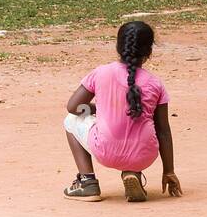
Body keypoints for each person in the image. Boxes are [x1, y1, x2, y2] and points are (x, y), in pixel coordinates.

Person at [62, 21, 181, 203]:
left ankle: (87, 182)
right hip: (144, 156)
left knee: (70, 120)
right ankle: (133, 172)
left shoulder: (101, 73)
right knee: (140, 128)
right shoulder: (155, 84)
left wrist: (98, 108)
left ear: (118, 47)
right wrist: (169, 171)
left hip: (106, 151)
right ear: (149, 52)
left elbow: (73, 107)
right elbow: (163, 130)